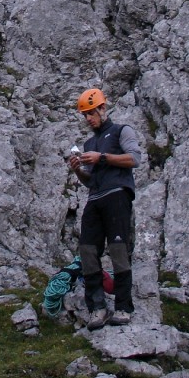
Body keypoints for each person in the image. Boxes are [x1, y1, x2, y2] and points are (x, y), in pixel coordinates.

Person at [67, 87, 143, 329]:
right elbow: (89, 179)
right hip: (95, 198)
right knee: (88, 251)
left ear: (102, 108)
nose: (89, 118)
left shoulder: (122, 131)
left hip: (118, 195)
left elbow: (134, 159)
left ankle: (123, 307)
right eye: (85, 115)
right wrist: (78, 169)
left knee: (119, 249)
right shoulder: (90, 142)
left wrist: (102, 157)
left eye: (91, 112)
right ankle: (97, 308)